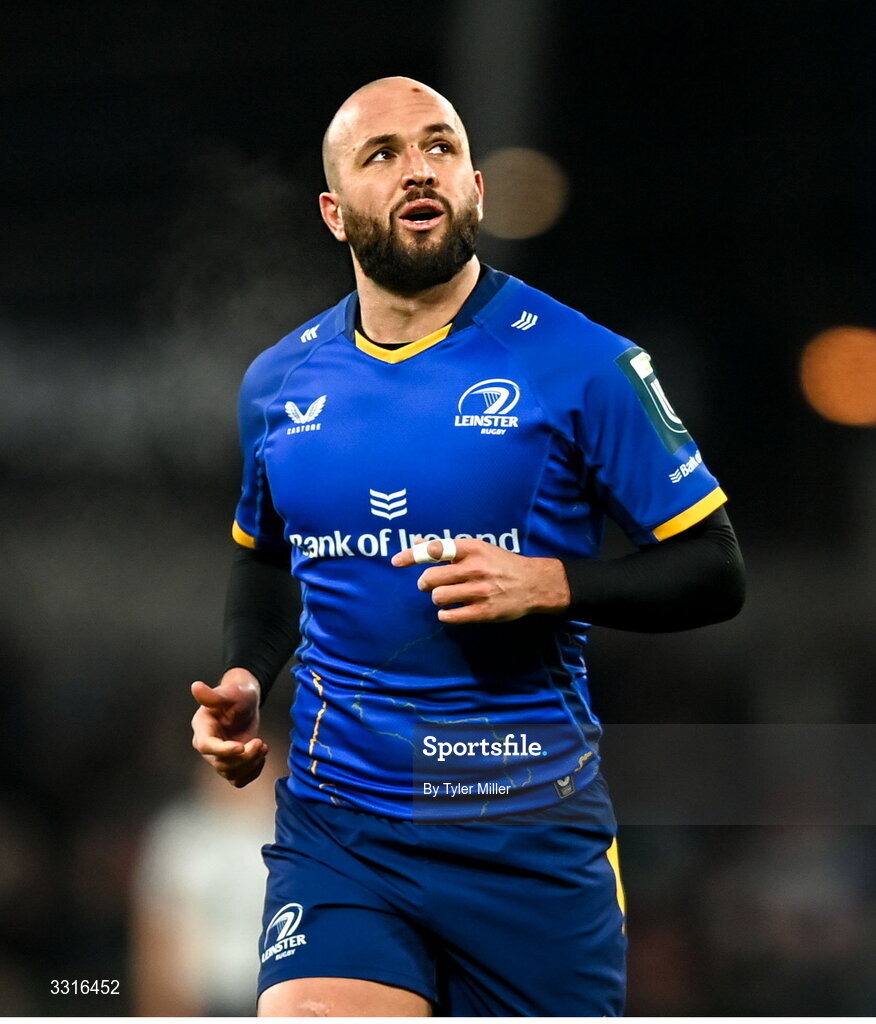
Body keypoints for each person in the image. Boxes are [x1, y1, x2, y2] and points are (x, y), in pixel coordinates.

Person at [191, 76, 745, 1017]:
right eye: (384, 154)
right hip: (342, 827)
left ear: (476, 187)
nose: (419, 170)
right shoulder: (278, 384)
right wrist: (247, 675)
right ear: (335, 213)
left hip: (525, 834)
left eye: (440, 147)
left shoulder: (586, 364)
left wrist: (557, 582)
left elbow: (714, 570)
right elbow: (266, 558)